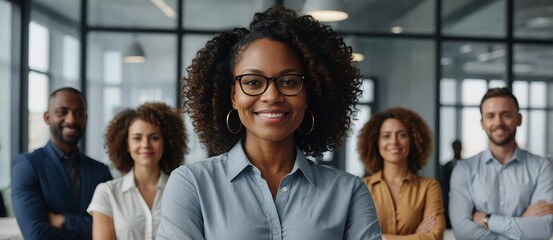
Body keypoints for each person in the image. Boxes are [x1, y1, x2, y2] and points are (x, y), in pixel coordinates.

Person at [157, 6, 381, 240]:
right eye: (253, 82)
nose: (272, 96)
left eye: (289, 82)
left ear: (308, 94)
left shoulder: (348, 192)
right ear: (233, 95)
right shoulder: (192, 184)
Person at [449, 87, 553, 239]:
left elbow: (543, 229)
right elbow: (463, 231)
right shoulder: (464, 170)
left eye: (506, 115)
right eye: (490, 116)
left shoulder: (541, 167)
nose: (498, 122)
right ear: (482, 123)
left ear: (519, 119)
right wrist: (522, 222)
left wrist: (487, 220)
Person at [11, 87, 113, 240]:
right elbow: (36, 234)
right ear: (47, 117)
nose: (71, 120)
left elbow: (117, 226)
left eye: (78, 113)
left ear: (85, 118)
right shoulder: (27, 166)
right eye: (62, 112)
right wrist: (94, 228)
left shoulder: (100, 171)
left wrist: (64, 220)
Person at [87, 102, 187, 240]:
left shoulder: (181, 191)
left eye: (154, 138)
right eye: (137, 138)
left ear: (166, 142)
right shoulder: (107, 193)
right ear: (127, 144)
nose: (145, 145)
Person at [357, 107, 445, 239]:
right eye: (386, 136)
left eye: (402, 135)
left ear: (413, 141)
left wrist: (384, 238)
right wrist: (416, 236)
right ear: (376, 142)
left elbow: (434, 237)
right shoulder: (362, 187)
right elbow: (357, 237)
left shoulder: (429, 187)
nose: (394, 142)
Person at [439, 139, 462, 229]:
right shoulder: (446, 166)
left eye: (458, 147)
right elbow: (443, 183)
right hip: (449, 198)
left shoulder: (467, 165)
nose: (457, 150)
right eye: (455, 147)